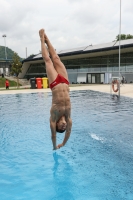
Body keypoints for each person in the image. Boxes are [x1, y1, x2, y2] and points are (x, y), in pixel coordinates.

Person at [39, 29, 72, 150]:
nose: (64, 126)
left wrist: (55, 146)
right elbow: (68, 132)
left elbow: (53, 134)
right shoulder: (68, 118)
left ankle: (42, 39)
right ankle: (47, 38)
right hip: (65, 82)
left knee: (48, 60)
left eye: (61, 127)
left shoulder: (53, 116)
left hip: (55, 83)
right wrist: (63, 144)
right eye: (64, 127)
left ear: (57, 124)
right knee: (57, 58)